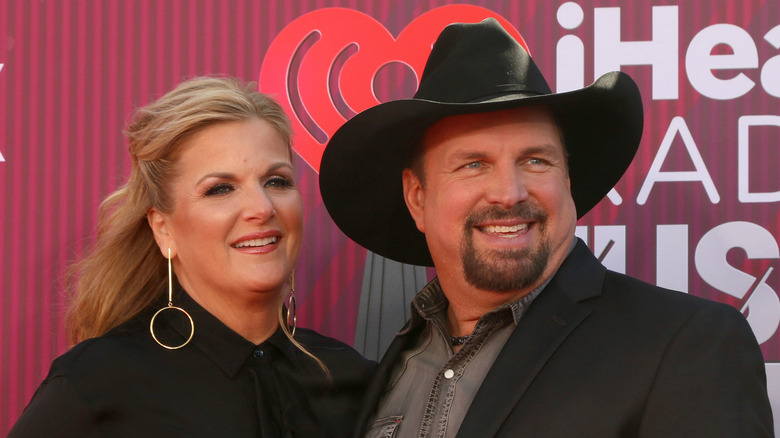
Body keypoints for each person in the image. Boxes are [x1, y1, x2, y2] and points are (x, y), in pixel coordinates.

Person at [318, 18, 773, 437]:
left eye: (536, 160)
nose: (510, 192)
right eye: (474, 164)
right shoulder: (393, 367)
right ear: (418, 197)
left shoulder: (689, 346)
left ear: (567, 180)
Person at [9, 76, 375, 437]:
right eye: (220, 189)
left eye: (276, 181)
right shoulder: (96, 384)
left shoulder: (354, 380)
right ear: (163, 229)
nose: (261, 208)